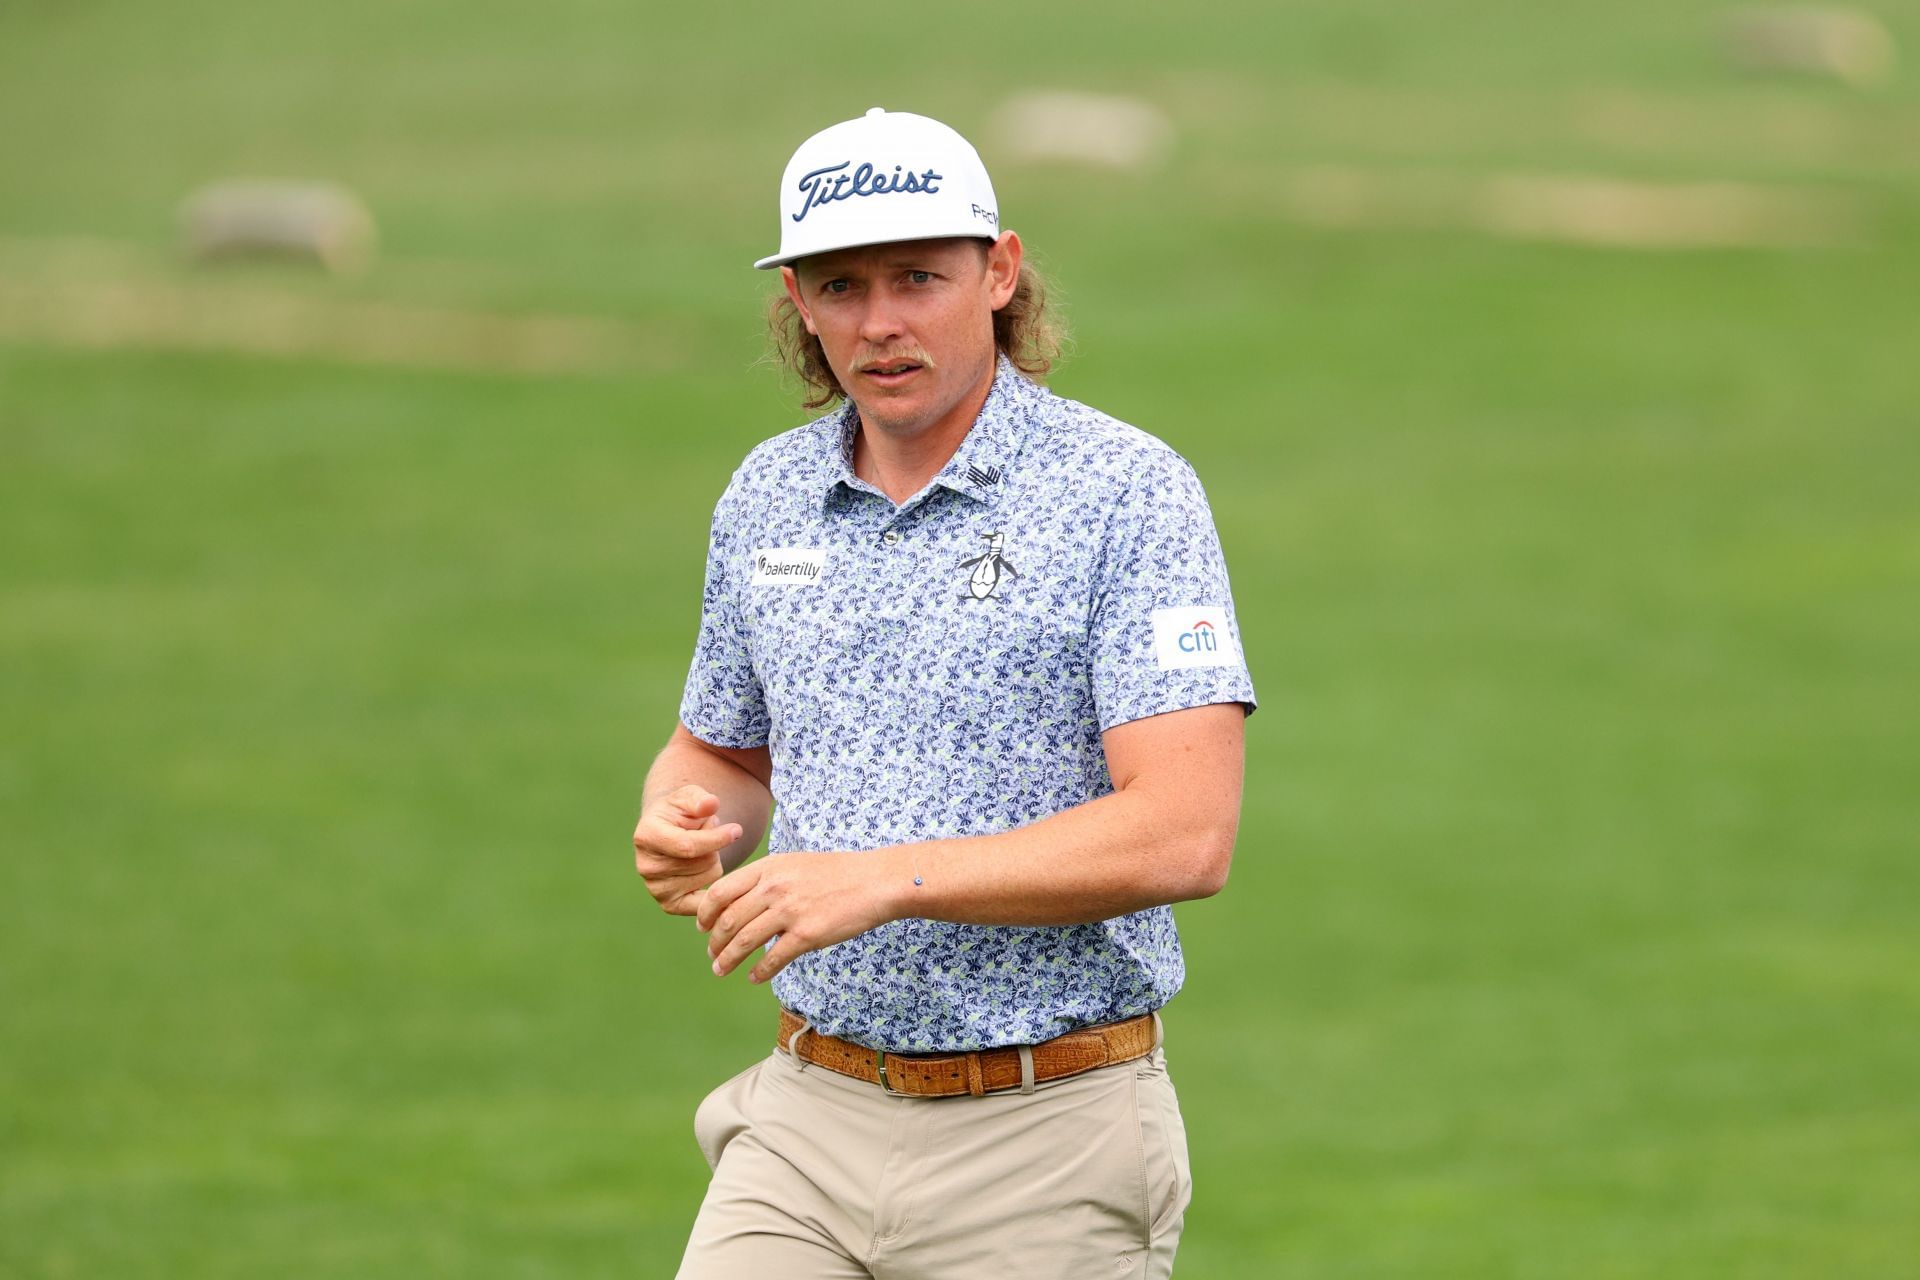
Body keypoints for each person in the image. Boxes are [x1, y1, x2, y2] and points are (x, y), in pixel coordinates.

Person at [632, 106, 1257, 1279]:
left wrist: (885, 880)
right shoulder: (766, 497)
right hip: (807, 1119)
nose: (880, 322)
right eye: (839, 285)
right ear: (798, 306)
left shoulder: (1126, 494)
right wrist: (681, 814)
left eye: (919, 277)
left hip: (1048, 1137)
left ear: (1000, 273)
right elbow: (721, 752)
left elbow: (1186, 831)